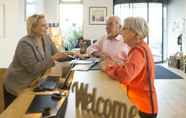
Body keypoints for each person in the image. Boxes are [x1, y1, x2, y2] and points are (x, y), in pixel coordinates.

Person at [3, 14, 68, 108]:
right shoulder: (24, 43)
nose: (47, 27)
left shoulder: (46, 38)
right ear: (33, 28)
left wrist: (73, 55)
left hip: (33, 82)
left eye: (46, 24)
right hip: (18, 84)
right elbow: (34, 68)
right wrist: (53, 58)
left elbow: (57, 54)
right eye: (43, 25)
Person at [102, 17, 158, 118]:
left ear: (135, 33)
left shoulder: (138, 50)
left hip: (143, 107)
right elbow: (128, 69)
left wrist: (108, 67)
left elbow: (125, 76)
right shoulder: (138, 48)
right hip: (139, 103)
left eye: (124, 28)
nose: (121, 32)